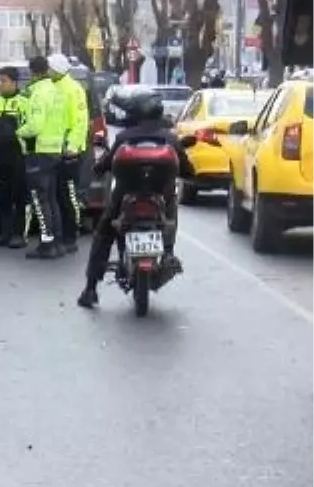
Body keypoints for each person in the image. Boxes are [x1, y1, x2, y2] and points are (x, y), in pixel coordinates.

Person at [77, 92, 193, 308]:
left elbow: (104, 165)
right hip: (162, 197)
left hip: (125, 196)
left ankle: (91, 288)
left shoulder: (124, 137)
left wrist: (97, 169)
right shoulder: (169, 138)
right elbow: (187, 170)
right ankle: (168, 251)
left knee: (103, 233)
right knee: (171, 214)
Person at [17, 56, 68, 259]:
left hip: (40, 151)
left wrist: (19, 131)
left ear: (32, 71)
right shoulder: (56, 91)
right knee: (52, 199)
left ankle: (47, 244)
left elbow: (35, 125)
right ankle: (57, 241)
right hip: (55, 150)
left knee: (40, 199)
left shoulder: (39, 93)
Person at [48, 53, 89, 254]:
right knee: (55, 195)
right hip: (53, 149)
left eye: (50, 68)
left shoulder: (73, 89)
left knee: (68, 196)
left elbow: (80, 121)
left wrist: (72, 146)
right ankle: (59, 235)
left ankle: (70, 236)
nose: (47, 72)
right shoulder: (53, 86)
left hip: (68, 151)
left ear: (56, 70)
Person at [0, 66, 29, 249]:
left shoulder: (24, 102)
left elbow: (29, 128)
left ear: (14, 82)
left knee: (20, 197)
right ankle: (5, 234)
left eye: (3, 81)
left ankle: (19, 235)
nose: (0, 85)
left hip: (18, 156)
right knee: (3, 197)